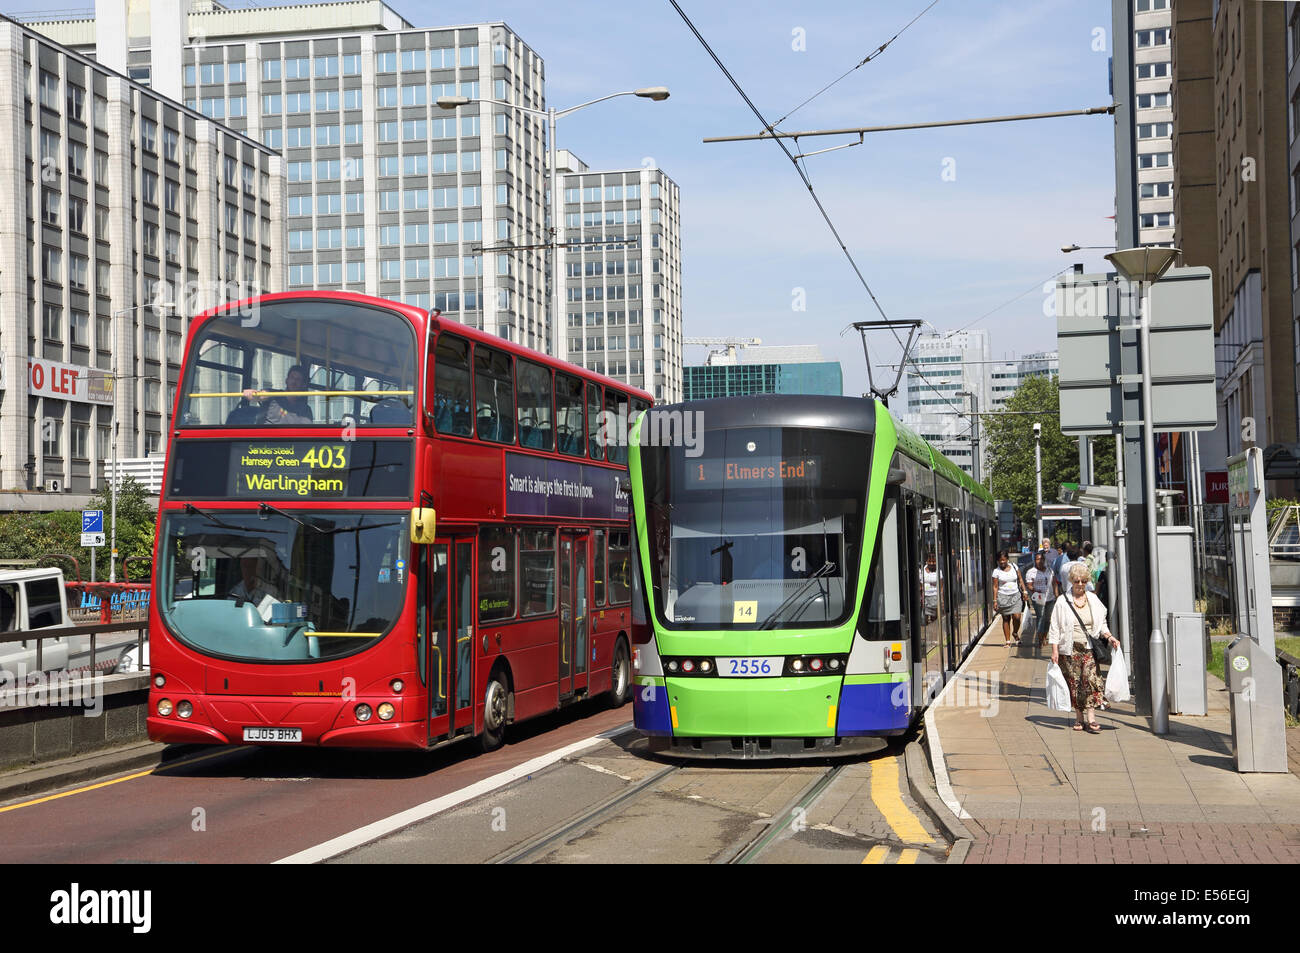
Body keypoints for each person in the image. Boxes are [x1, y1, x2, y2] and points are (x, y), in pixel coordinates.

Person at [1048, 561, 1120, 732]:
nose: (1080, 584)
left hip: (1089, 648)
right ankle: (1078, 718)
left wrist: (1110, 637)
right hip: (1069, 649)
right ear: (1071, 581)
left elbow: (1101, 623)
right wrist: (1055, 650)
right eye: (1076, 581)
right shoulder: (1062, 601)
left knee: (1090, 681)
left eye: (1083, 581)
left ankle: (1091, 718)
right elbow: (1055, 627)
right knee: (1075, 683)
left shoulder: (1093, 600)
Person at [243, 364, 313, 425]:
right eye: (292, 377)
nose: (294, 381)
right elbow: (260, 396)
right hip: (267, 437)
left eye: (298, 379)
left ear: (303, 385)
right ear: (286, 380)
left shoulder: (305, 409)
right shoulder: (274, 394)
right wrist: (252, 394)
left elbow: (306, 431)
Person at [991, 551, 1028, 647]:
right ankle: (1007, 641)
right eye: (1000, 561)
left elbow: (1020, 579)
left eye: (1003, 560)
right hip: (1003, 597)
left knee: (1017, 617)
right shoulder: (996, 571)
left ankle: (1015, 632)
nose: (1002, 562)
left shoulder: (1014, 567)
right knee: (1006, 618)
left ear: (1007, 559)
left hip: (1015, 595)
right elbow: (995, 586)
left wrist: (1024, 591)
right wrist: (995, 600)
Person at [229, 556, 279, 623]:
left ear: (257, 569)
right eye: (244, 566)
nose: (247, 571)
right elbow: (230, 615)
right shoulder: (235, 591)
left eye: (250, 567)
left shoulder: (271, 591)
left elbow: (272, 619)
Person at [922, 553, 939, 623]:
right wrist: (922, 596)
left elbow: (941, 586)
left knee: (934, 618)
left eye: (933, 562)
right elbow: (921, 584)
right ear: (927, 561)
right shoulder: (922, 571)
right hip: (926, 597)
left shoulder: (938, 570)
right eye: (930, 561)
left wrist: (941, 599)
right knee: (925, 617)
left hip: (934, 597)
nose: (932, 563)